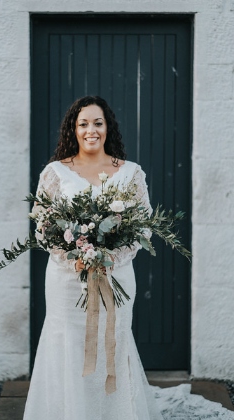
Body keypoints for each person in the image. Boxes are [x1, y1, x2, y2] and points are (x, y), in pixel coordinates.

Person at [23, 96, 234, 420]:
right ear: (72, 129)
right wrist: (76, 258)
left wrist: (103, 256)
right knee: (65, 342)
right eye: (83, 123)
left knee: (114, 338)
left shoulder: (130, 173)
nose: (90, 130)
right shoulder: (55, 172)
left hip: (116, 275)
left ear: (108, 127)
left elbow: (141, 228)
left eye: (97, 122)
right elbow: (43, 226)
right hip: (66, 280)